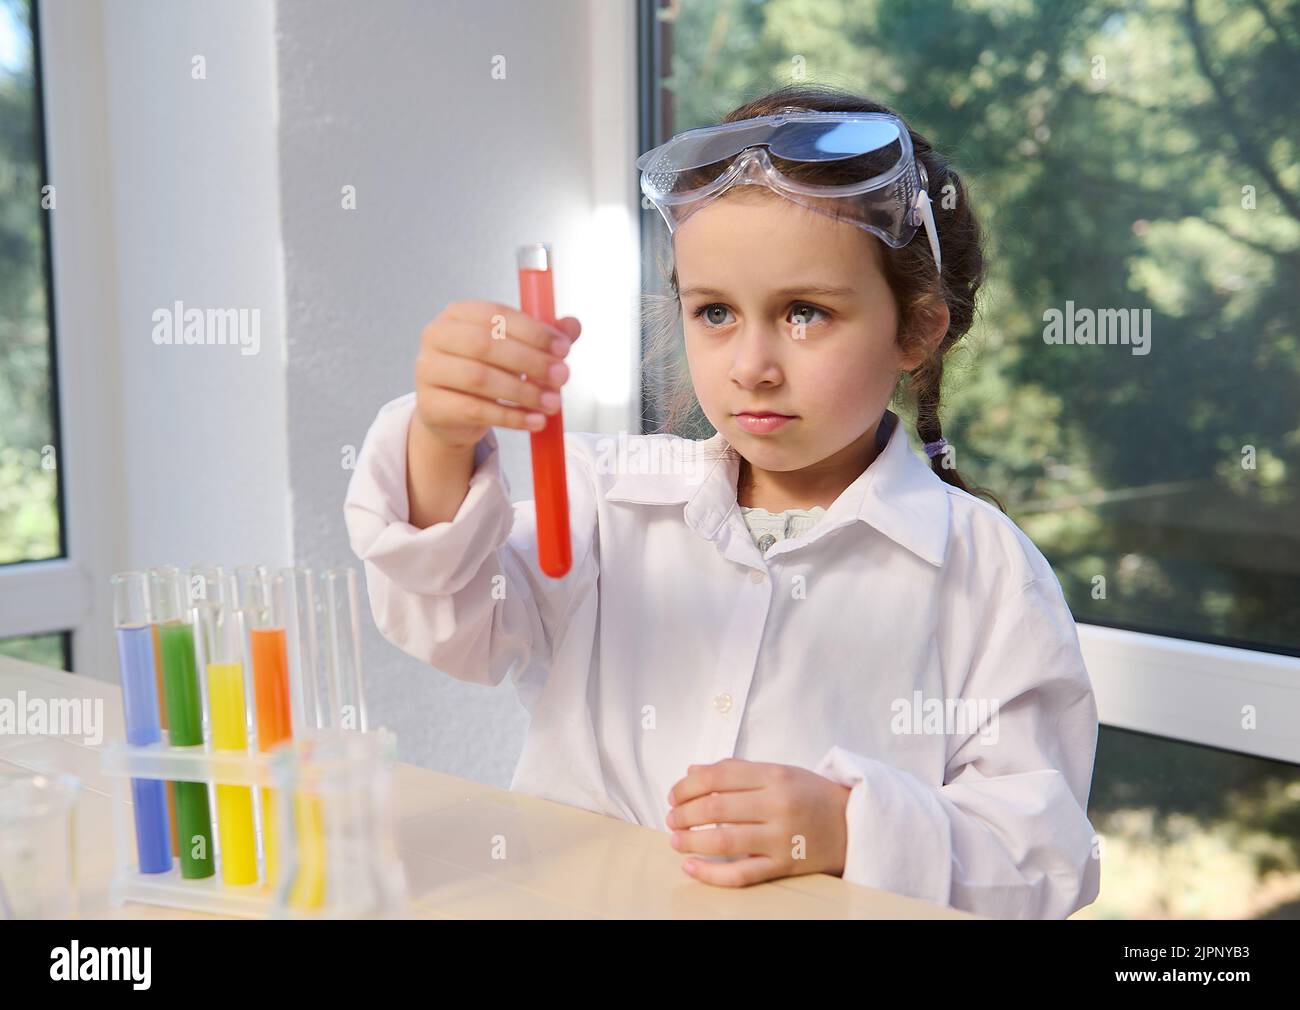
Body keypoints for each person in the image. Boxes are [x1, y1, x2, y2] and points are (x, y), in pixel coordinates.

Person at [343, 84, 1101, 918]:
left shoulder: (986, 571)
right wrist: (441, 440)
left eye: (804, 313)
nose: (751, 365)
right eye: (713, 312)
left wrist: (850, 828)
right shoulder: (608, 503)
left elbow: (1044, 862)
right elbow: (453, 627)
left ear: (916, 331)